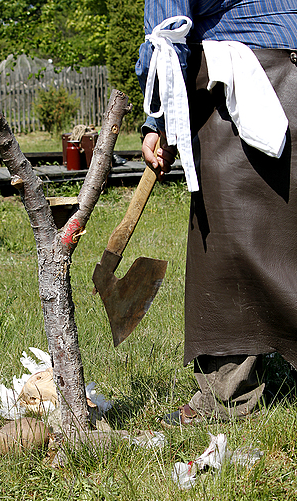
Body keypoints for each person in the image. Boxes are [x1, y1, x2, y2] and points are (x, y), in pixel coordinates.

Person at [136, 1, 297, 423]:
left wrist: (156, 119)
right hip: (285, 70)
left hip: (249, 82)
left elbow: (168, 39)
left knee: (226, 238)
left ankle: (229, 394)